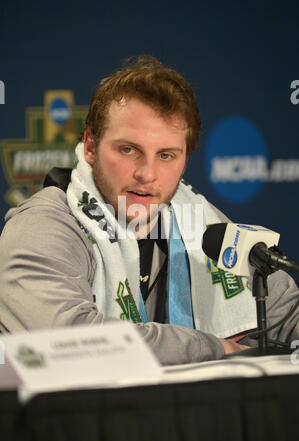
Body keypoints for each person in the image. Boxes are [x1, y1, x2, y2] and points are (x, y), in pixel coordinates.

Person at [0, 56, 298, 365]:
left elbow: (287, 316)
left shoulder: (197, 220)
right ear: (90, 146)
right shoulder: (42, 227)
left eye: (167, 155)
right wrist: (211, 348)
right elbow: (71, 343)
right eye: (128, 150)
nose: (147, 173)